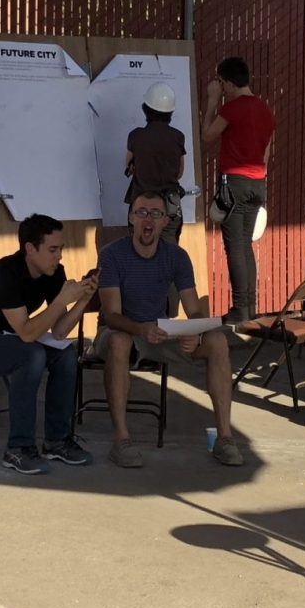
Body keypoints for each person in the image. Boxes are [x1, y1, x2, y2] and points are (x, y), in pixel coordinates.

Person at [94, 192, 243, 468]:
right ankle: (121, 440)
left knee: (217, 340)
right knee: (119, 341)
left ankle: (225, 438)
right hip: (120, 331)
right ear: (130, 218)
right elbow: (112, 316)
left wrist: (195, 330)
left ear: (165, 221)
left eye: (155, 214)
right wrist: (141, 328)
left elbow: (194, 307)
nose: (147, 219)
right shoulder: (112, 254)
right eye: (141, 212)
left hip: (160, 332)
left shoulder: (176, 256)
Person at [0, 214, 97, 475]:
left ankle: (57, 441)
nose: (59, 256)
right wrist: (62, 301)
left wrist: (83, 299)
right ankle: (18, 448)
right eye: (52, 249)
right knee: (32, 354)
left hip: (7, 337)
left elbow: (60, 331)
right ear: (30, 248)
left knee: (66, 355)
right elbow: (28, 334)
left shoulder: (52, 272)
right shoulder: (4, 274)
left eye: (61, 249)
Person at [202, 57, 275, 323]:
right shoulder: (265, 110)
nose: (219, 87)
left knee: (234, 247)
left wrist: (212, 101)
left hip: (234, 183)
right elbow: (267, 152)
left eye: (220, 83)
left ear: (229, 83)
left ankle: (240, 308)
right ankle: (250, 307)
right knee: (246, 246)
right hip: (258, 183)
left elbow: (207, 135)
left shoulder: (231, 109)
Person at [125, 81, 186, 245]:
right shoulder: (178, 137)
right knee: (168, 253)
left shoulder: (136, 136)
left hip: (141, 205)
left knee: (141, 251)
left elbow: (128, 167)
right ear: (170, 112)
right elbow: (179, 172)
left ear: (146, 109)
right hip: (169, 205)